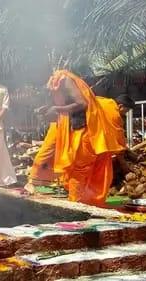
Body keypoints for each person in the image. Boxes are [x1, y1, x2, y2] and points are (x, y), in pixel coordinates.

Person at [40, 69, 127, 206]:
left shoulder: (65, 80)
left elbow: (82, 103)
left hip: (87, 133)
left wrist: (57, 109)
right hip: (90, 134)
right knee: (88, 172)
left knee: (79, 171)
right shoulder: (60, 82)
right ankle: (90, 204)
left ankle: (76, 206)